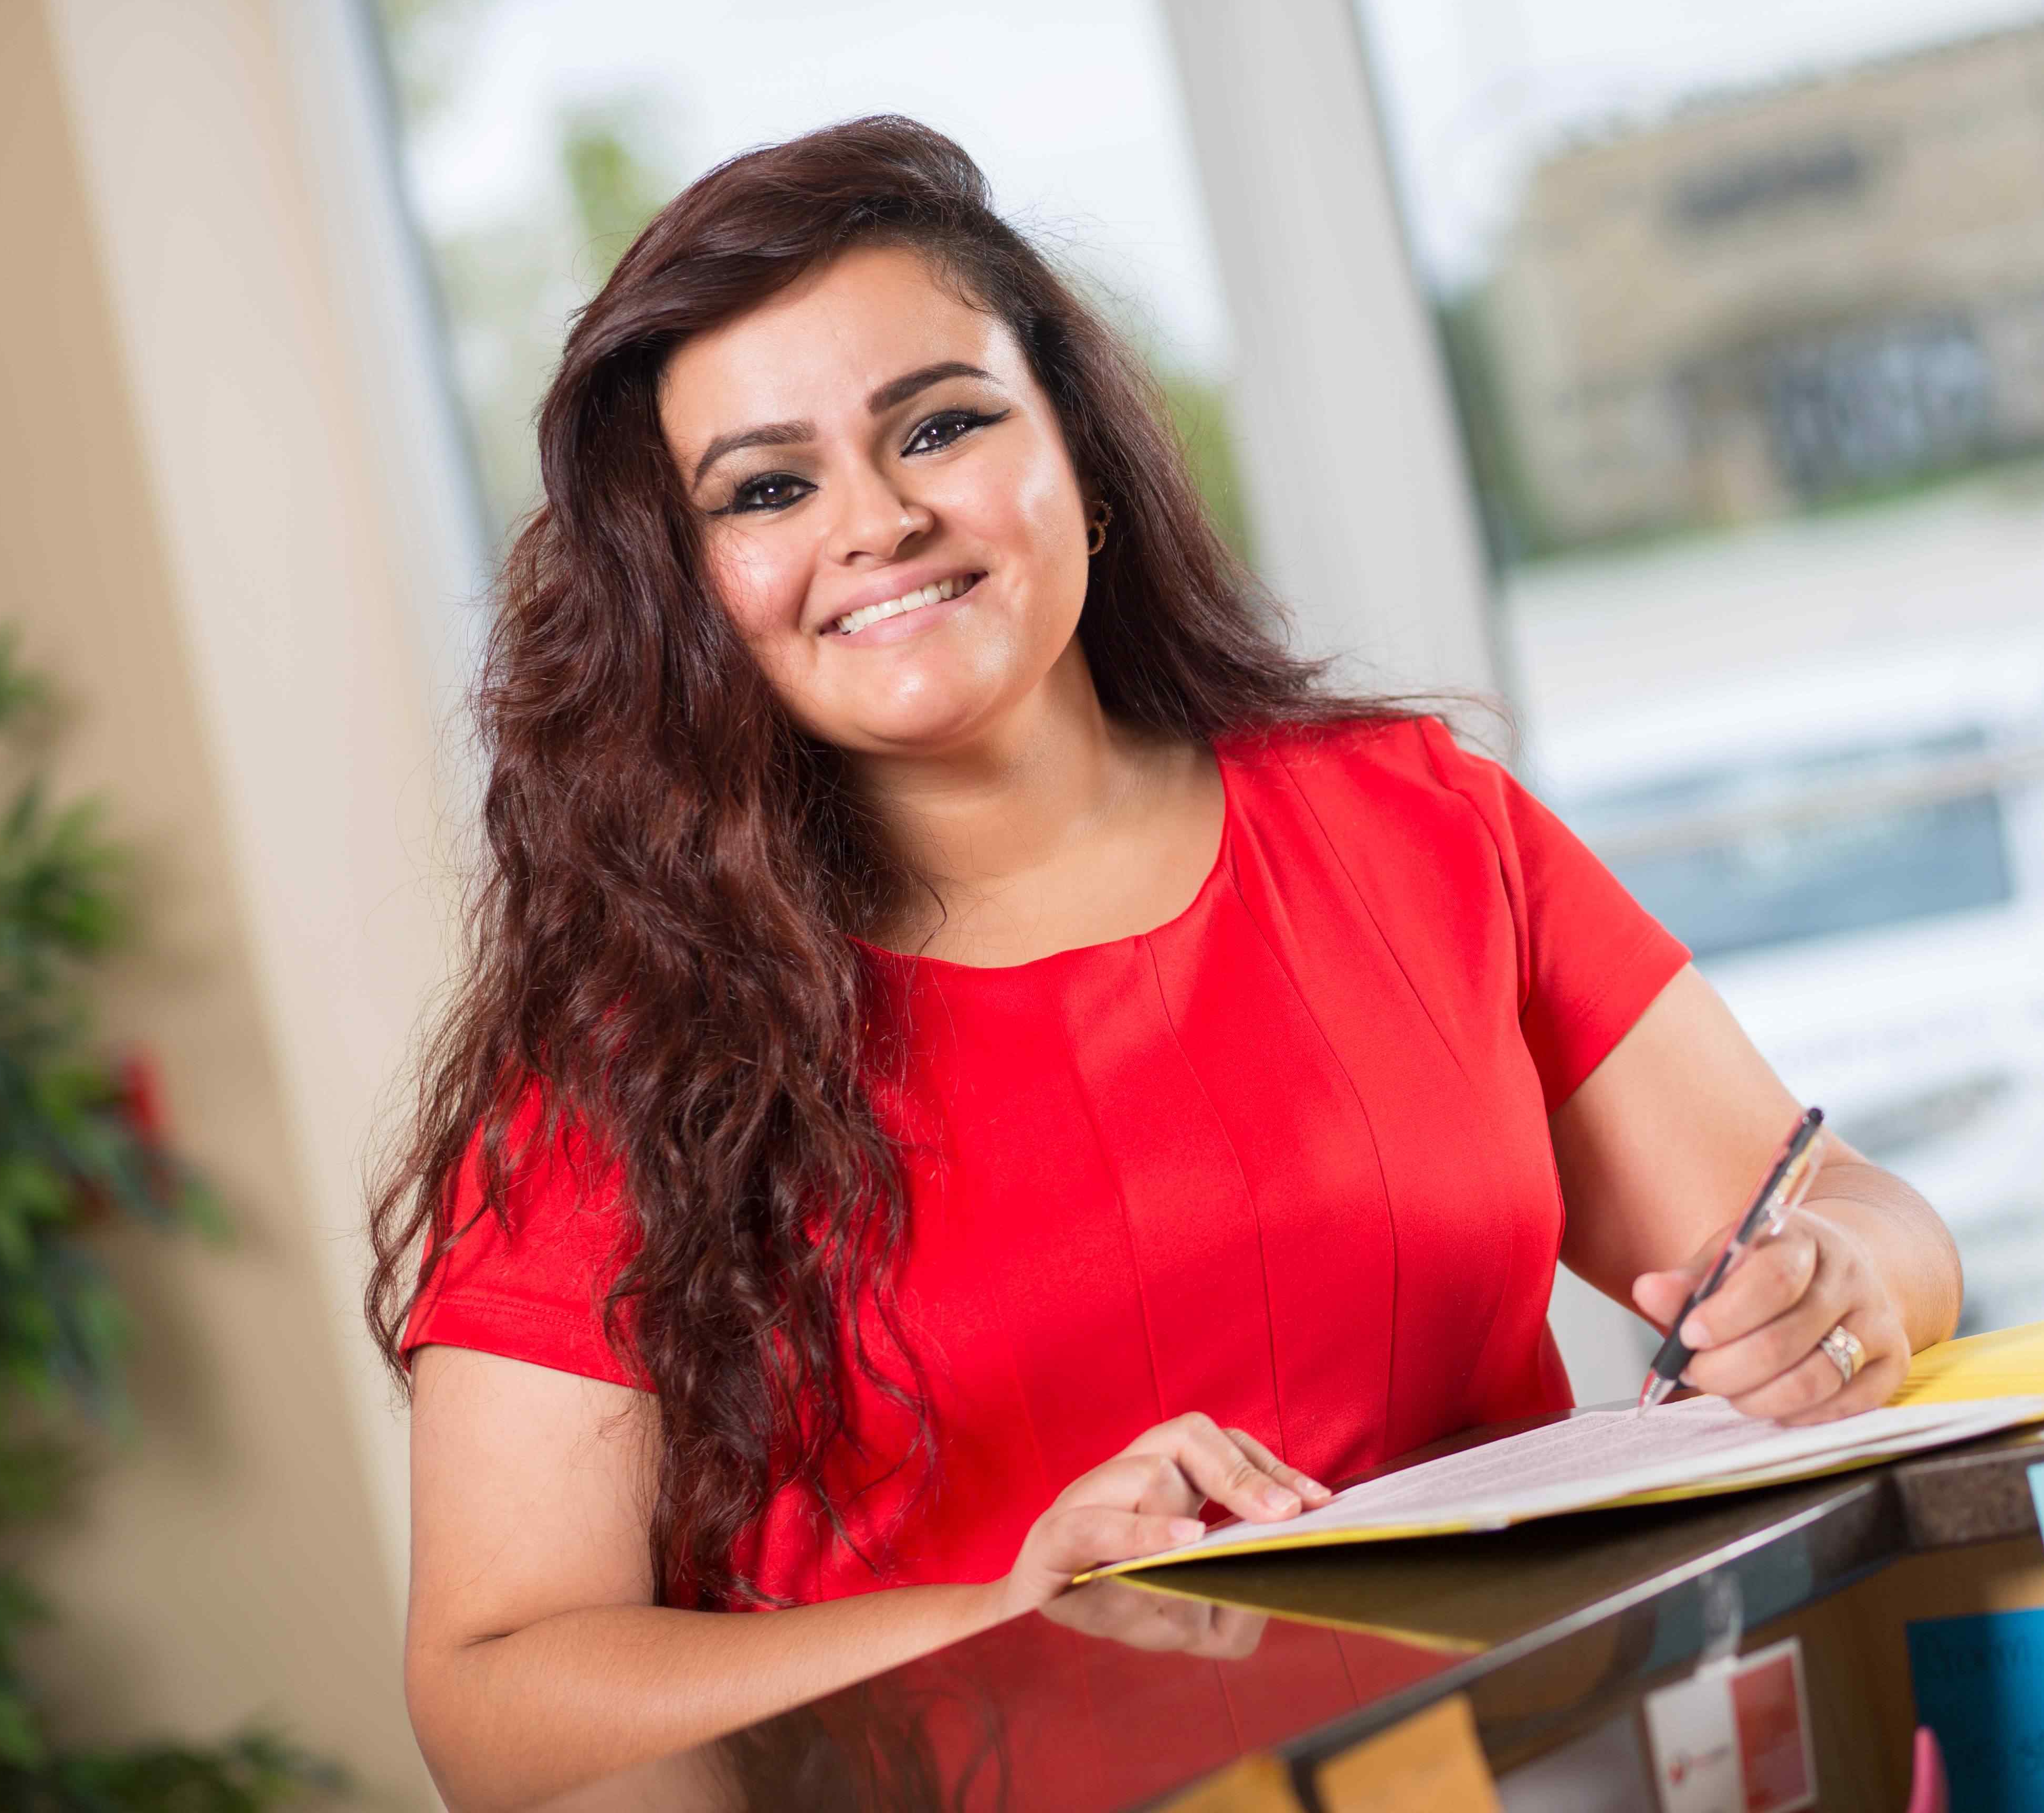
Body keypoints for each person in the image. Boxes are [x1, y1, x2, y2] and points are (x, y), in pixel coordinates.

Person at [367, 116, 1964, 1811]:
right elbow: (496, 1696)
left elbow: (1853, 1219)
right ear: (693, 591)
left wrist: (1846, 1297)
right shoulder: (632, 1057)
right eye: (769, 488)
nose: (882, 520)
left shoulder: (1420, 828)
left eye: (943, 425)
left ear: (1087, 463)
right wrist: (1014, 1619)